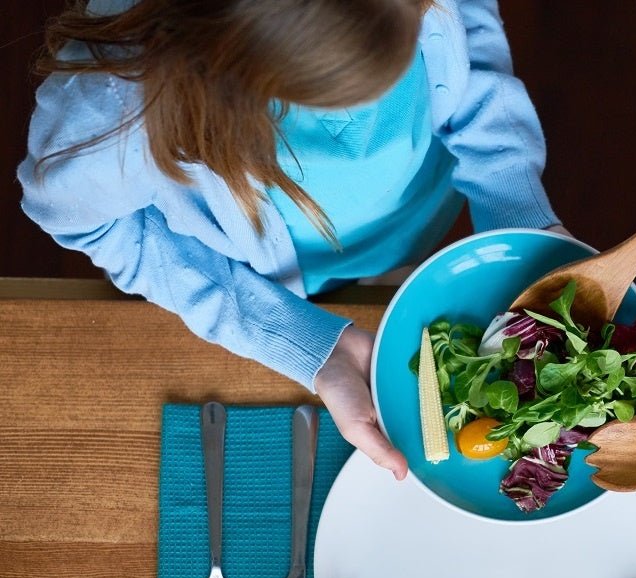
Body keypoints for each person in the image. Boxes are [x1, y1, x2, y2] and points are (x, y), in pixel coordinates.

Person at [19, 0, 565, 480]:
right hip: (264, 274)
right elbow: (89, 223)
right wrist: (294, 336)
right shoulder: (114, 109)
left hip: (413, 224)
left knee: (388, 272)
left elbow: (471, 41)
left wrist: (514, 208)